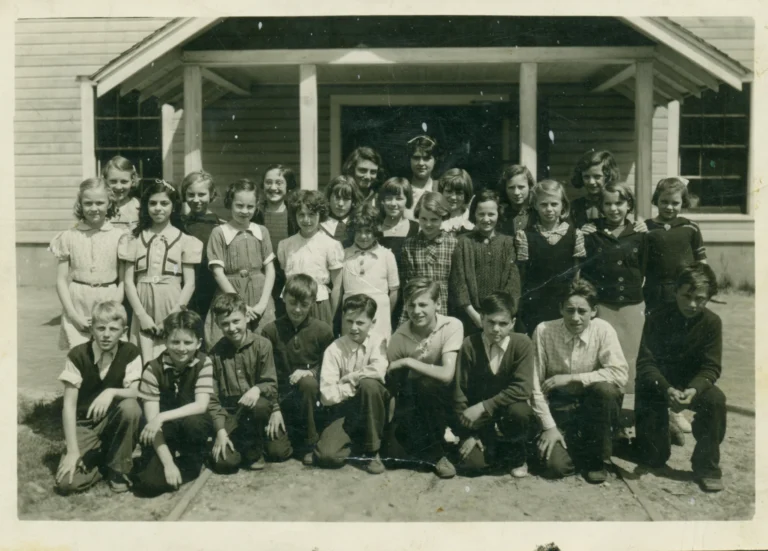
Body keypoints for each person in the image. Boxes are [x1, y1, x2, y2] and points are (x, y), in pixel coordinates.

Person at [634, 262, 726, 492]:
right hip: (658, 384)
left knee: (715, 400)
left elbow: (711, 367)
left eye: (700, 298)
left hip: (690, 385)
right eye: (686, 296)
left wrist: (694, 389)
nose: (692, 304)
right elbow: (646, 364)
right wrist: (666, 389)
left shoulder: (712, 323)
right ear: (675, 290)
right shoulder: (656, 317)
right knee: (654, 458)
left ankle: (707, 466)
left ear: (709, 297)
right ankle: (661, 433)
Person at [530, 279, 628, 484]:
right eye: (569, 310)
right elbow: (534, 386)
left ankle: (597, 459)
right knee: (555, 467)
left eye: (582, 311)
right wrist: (549, 427)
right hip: (560, 409)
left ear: (594, 311)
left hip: (592, 408)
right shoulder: (543, 331)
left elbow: (620, 374)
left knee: (606, 390)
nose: (575, 318)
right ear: (560, 309)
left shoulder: (603, 330)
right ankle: (590, 447)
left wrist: (571, 378)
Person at [54, 301, 142, 494]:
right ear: (92, 328)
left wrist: (111, 392)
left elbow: (136, 392)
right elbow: (68, 406)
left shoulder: (130, 352)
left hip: (114, 421)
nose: (106, 334)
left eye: (113, 329)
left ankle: (117, 469)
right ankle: (105, 460)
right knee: (67, 484)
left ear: (124, 331)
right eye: (100, 328)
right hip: (85, 424)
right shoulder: (78, 355)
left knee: (131, 407)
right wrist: (73, 451)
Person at [386, 278, 464, 479]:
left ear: (437, 304)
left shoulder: (452, 325)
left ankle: (438, 455)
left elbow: (447, 375)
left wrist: (409, 362)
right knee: (394, 455)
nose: (416, 311)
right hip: (413, 403)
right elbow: (392, 383)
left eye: (423, 304)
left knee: (428, 384)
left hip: (445, 397)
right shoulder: (399, 337)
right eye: (411, 305)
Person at [207, 293, 292, 474]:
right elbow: (212, 399)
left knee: (279, 452)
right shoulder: (214, 354)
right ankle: (246, 447)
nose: (232, 328)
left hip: (259, 410)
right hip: (233, 414)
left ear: (246, 316)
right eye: (225, 324)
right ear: (218, 325)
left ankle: (254, 450)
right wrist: (220, 431)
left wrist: (257, 390)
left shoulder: (263, 345)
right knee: (225, 464)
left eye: (236, 321)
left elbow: (271, 383)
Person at [120, 180, 203, 363]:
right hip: (142, 303)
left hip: (172, 302)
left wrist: (173, 316)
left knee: (171, 351)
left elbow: (189, 283)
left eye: (164, 203)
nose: (158, 208)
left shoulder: (185, 240)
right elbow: (128, 282)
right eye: (153, 203)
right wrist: (142, 316)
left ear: (174, 206)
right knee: (141, 356)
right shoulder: (134, 238)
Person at [133, 310, 214, 496]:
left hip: (190, 426)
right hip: (164, 433)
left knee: (195, 422)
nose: (181, 348)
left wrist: (162, 416)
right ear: (165, 341)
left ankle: (193, 456)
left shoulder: (204, 362)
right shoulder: (152, 369)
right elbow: (153, 425)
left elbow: (201, 405)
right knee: (149, 485)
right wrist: (168, 464)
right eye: (175, 342)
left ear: (199, 343)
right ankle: (162, 461)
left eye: (188, 342)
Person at [452, 292, 534, 477]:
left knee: (520, 411)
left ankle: (518, 456)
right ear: (482, 319)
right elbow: (460, 391)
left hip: (506, 413)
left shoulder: (522, 343)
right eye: (491, 322)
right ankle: (486, 444)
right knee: (473, 466)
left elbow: (522, 388)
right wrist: (469, 433)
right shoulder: (470, 344)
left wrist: (485, 406)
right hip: (478, 421)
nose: (496, 329)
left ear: (512, 323)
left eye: (503, 323)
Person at [259, 274, 335, 465]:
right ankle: (289, 436)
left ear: (313, 302)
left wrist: (311, 372)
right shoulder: (270, 331)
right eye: (292, 302)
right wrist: (274, 407)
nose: (297, 309)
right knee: (276, 453)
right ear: (283, 297)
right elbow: (265, 373)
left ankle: (310, 442)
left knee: (307, 383)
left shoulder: (323, 330)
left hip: (311, 401)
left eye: (304, 304)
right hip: (281, 400)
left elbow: (330, 366)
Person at [580, 182, 647, 392]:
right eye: (608, 204)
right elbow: (585, 271)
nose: (614, 208)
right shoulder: (592, 233)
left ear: (629, 205)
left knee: (631, 357)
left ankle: (628, 409)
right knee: (603, 357)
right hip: (603, 306)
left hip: (631, 305)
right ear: (601, 206)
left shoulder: (639, 233)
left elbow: (645, 267)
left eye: (619, 203)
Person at [314, 294, 390, 474]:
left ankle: (373, 451)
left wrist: (350, 378)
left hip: (373, 407)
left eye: (360, 323)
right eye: (349, 321)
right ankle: (358, 441)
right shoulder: (334, 349)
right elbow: (326, 396)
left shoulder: (379, 341)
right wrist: (352, 388)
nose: (353, 328)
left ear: (372, 322)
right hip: (346, 410)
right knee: (327, 456)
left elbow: (379, 371)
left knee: (369, 386)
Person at [50, 177, 125, 350]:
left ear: (109, 203)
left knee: (108, 355)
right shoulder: (68, 236)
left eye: (100, 203)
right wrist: (72, 315)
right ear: (80, 205)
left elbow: (122, 281)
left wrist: (111, 310)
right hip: (78, 302)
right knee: (80, 356)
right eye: (88, 203)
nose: (94, 208)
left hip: (109, 300)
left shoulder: (120, 236)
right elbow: (61, 280)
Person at [204, 179, 276, 348]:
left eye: (250, 206)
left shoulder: (261, 231)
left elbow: (270, 269)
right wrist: (240, 304)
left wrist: (263, 303)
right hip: (231, 294)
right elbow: (217, 272)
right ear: (230, 203)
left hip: (260, 295)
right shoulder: (220, 232)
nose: (245, 211)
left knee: (262, 341)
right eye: (239, 206)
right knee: (225, 339)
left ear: (256, 205)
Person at [515, 179, 586, 335]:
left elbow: (577, 274)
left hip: (564, 304)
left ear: (563, 206)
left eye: (554, 204)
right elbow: (521, 275)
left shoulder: (575, 235)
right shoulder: (526, 236)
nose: (549, 209)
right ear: (535, 205)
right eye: (543, 204)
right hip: (535, 306)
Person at [449, 188, 521, 337]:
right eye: (481, 214)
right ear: (474, 214)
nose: (486, 219)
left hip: (500, 321)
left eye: (491, 214)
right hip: (471, 318)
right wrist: (474, 314)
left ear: (498, 214)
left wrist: (500, 317)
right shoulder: (463, 242)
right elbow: (458, 281)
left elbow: (513, 284)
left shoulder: (508, 243)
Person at [277, 190, 344, 326]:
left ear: (321, 215)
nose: (306, 220)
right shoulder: (285, 245)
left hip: (318, 304)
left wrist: (331, 316)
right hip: (291, 305)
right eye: (301, 214)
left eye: (312, 215)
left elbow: (337, 286)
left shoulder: (331, 245)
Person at [644, 177, 708, 315]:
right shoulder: (646, 228)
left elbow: (701, 260)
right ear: (656, 200)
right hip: (655, 290)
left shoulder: (691, 227)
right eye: (664, 202)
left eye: (675, 203)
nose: (669, 207)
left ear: (683, 202)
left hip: (685, 289)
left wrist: (702, 286)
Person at [340, 203, 399, 340]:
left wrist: (384, 314)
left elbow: (394, 290)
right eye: (358, 231)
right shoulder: (344, 255)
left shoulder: (386, 255)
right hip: (351, 317)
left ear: (376, 231)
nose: (363, 236)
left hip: (379, 317)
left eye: (368, 231)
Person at [399, 192, 458, 327]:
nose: (428, 224)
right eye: (423, 219)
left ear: (443, 217)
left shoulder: (453, 244)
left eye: (434, 219)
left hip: (444, 306)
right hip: (417, 306)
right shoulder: (410, 244)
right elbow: (407, 282)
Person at [253, 164, 299, 319]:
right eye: (268, 182)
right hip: (260, 279)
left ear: (289, 187)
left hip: (287, 279)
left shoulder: (295, 216)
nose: (273, 187)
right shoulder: (255, 213)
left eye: (279, 183)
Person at [377, 177, 420, 329]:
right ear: (382, 201)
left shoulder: (416, 228)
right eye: (388, 198)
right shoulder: (375, 229)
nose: (393, 203)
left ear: (407, 200)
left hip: (406, 294)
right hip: (382, 292)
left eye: (399, 198)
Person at [179, 170, 221, 322]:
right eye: (191, 195)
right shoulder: (180, 224)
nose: (196, 199)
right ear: (184, 195)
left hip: (211, 286)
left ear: (212, 194)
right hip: (185, 288)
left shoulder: (219, 225)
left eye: (202, 194)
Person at [569, 150, 621, 229]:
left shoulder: (618, 204)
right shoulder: (575, 207)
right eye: (586, 177)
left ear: (608, 176)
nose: (591, 182)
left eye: (597, 177)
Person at [102, 155, 141, 233]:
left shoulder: (139, 206)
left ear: (132, 181)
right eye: (113, 181)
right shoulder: (100, 206)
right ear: (105, 181)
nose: (119, 187)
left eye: (124, 182)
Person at [321, 175, 361, 248]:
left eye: (346, 199)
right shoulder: (319, 225)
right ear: (329, 197)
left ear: (353, 201)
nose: (340, 204)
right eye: (337, 198)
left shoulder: (358, 225)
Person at [405, 135, 439, 220]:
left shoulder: (440, 189)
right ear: (409, 160)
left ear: (435, 160)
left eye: (426, 158)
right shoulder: (402, 189)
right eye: (416, 158)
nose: (421, 163)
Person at [496, 164, 534, 236]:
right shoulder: (499, 214)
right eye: (511, 187)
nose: (516, 192)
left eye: (521, 187)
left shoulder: (536, 213)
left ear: (530, 186)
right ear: (505, 189)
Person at [437, 168, 474, 236]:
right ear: (442, 191)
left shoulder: (470, 220)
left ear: (466, 194)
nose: (453, 197)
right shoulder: (435, 216)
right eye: (449, 191)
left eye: (459, 193)